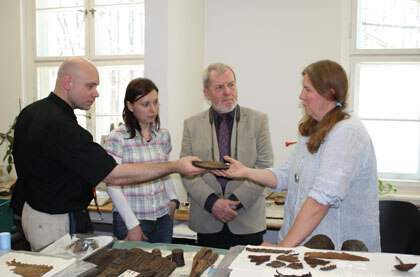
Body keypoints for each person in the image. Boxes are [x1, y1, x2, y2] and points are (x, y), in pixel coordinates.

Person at [12, 56, 202, 251]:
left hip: (35, 212)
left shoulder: (31, 112)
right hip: (54, 221)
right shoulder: (61, 126)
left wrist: (171, 199)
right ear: (67, 82)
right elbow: (113, 175)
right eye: (90, 86)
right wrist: (176, 166)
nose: (96, 94)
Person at [214, 60, 380, 252]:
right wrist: (245, 172)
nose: (301, 96)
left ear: (329, 93)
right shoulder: (313, 129)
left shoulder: (347, 133)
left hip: (338, 248)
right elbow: (286, 175)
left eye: (307, 90)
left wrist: (284, 248)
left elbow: (321, 200)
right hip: (304, 246)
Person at [180, 62, 274, 249]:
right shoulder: (191, 125)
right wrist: (212, 202)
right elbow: (186, 172)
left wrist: (234, 203)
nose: (228, 92)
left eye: (231, 85)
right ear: (207, 93)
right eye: (219, 87)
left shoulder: (258, 121)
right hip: (207, 220)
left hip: (246, 220)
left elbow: (264, 167)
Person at [104, 78, 179, 243]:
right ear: (130, 106)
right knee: (132, 268)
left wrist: (173, 200)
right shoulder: (118, 137)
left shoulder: (163, 135)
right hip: (132, 220)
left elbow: (165, 170)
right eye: (145, 104)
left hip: (162, 217)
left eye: (156, 102)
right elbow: (112, 185)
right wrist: (132, 225)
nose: (153, 109)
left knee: (162, 266)